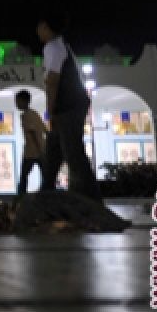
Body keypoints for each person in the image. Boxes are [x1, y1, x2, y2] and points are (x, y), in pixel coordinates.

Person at [37, 12, 102, 201]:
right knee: (54, 149)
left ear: (46, 27)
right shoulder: (60, 46)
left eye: (40, 26)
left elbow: (52, 80)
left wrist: (50, 110)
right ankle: (46, 191)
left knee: (73, 152)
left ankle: (91, 198)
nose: (38, 31)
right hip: (70, 105)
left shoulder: (53, 47)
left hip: (68, 106)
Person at [16, 89, 46, 195]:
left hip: (32, 152)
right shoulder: (35, 114)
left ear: (24, 101)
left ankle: (20, 198)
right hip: (40, 149)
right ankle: (46, 194)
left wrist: (39, 150)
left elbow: (33, 133)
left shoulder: (27, 116)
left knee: (24, 176)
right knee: (45, 175)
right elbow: (45, 130)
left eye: (18, 101)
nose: (16, 103)